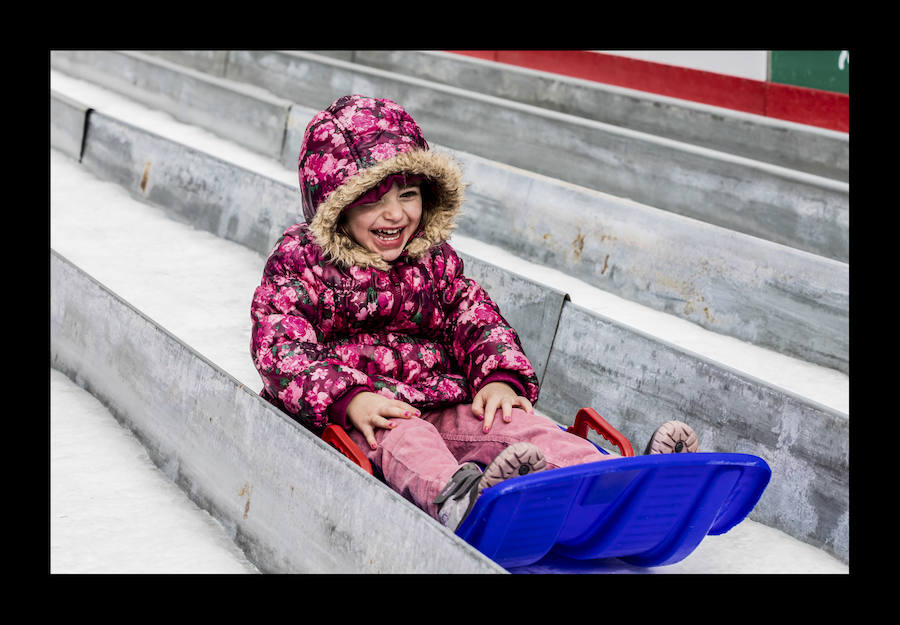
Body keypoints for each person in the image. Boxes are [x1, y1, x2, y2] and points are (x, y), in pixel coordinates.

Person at [250, 94, 699, 532]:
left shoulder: (433, 258)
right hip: (368, 415)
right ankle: (462, 500)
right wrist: (350, 399)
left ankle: (626, 485)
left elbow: (475, 316)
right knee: (410, 443)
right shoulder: (301, 263)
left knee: (513, 424)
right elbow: (279, 347)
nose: (395, 214)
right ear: (335, 207)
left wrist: (499, 377)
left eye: (407, 194)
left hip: (444, 397)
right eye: (370, 201)